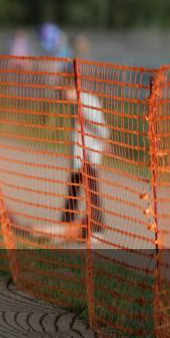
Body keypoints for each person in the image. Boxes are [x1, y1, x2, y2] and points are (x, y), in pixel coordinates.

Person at [60, 82, 110, 238]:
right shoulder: (77, 102)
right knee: (73, 190)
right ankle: (65, 224)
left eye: (65, 91)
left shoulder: (87, 102)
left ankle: (97, 229)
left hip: (89, 155)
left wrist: (103, 143)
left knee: (92, 192)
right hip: (80, 155)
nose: (64, 96)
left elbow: (101, 128)